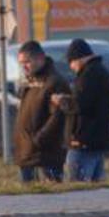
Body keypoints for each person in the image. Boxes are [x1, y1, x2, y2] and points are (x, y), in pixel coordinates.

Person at [12, 40, 70, 183]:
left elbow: (58, 117)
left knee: (50, 199)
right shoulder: (29, 81)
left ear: (40, 58)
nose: (24, 67)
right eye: (21, 63)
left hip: (44, 154)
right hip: (26, 153)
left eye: (27, 62)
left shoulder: (54, 82)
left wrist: (39, 139)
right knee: (27, 201)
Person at [59, 39, 109, 183]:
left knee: (78, 187)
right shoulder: (102, 72)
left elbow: (80, 105)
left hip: (84, 141)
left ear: (78, 58)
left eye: (71, 62)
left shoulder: (89, 75)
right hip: (97, 141)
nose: (71, 67)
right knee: (96, 187)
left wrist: (61, 101)